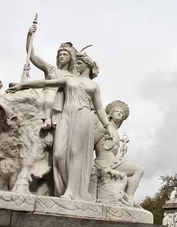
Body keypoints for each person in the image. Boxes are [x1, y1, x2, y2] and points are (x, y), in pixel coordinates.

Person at [8, 48, 116, 200]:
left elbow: (99, 108)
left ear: (86, 65)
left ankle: (71, 191)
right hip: (66, 116)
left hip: (82, 116)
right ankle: (65, 187)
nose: (75, 65)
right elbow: (46, 83)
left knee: (75, 152)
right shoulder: (69, 79)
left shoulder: (93, 86)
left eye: (79, 63)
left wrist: (109, 126)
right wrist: (23, 85)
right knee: (59, 153)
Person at [92, 100, 143, 206]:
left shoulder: (115, 131)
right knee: (138, 170)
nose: (120, 113)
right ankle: (129, 198)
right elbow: (91, 142)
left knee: (136, 171)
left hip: (113, 161)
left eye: (122, 113)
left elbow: (111, 152)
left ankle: (127, 197)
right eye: (117, 111)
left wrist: (121, 151)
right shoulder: (104, 127)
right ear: (110, 114)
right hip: (104, 162)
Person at [25, 23, 75, 128]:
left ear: (71, 58)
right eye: (60, 54)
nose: (62, 56)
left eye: (65, 54)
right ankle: (47, 119)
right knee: (50, 96)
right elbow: (32, 56)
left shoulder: (72, 76)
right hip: (47, 97)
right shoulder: (50, 69)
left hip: (62, 103)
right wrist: (29, 35)